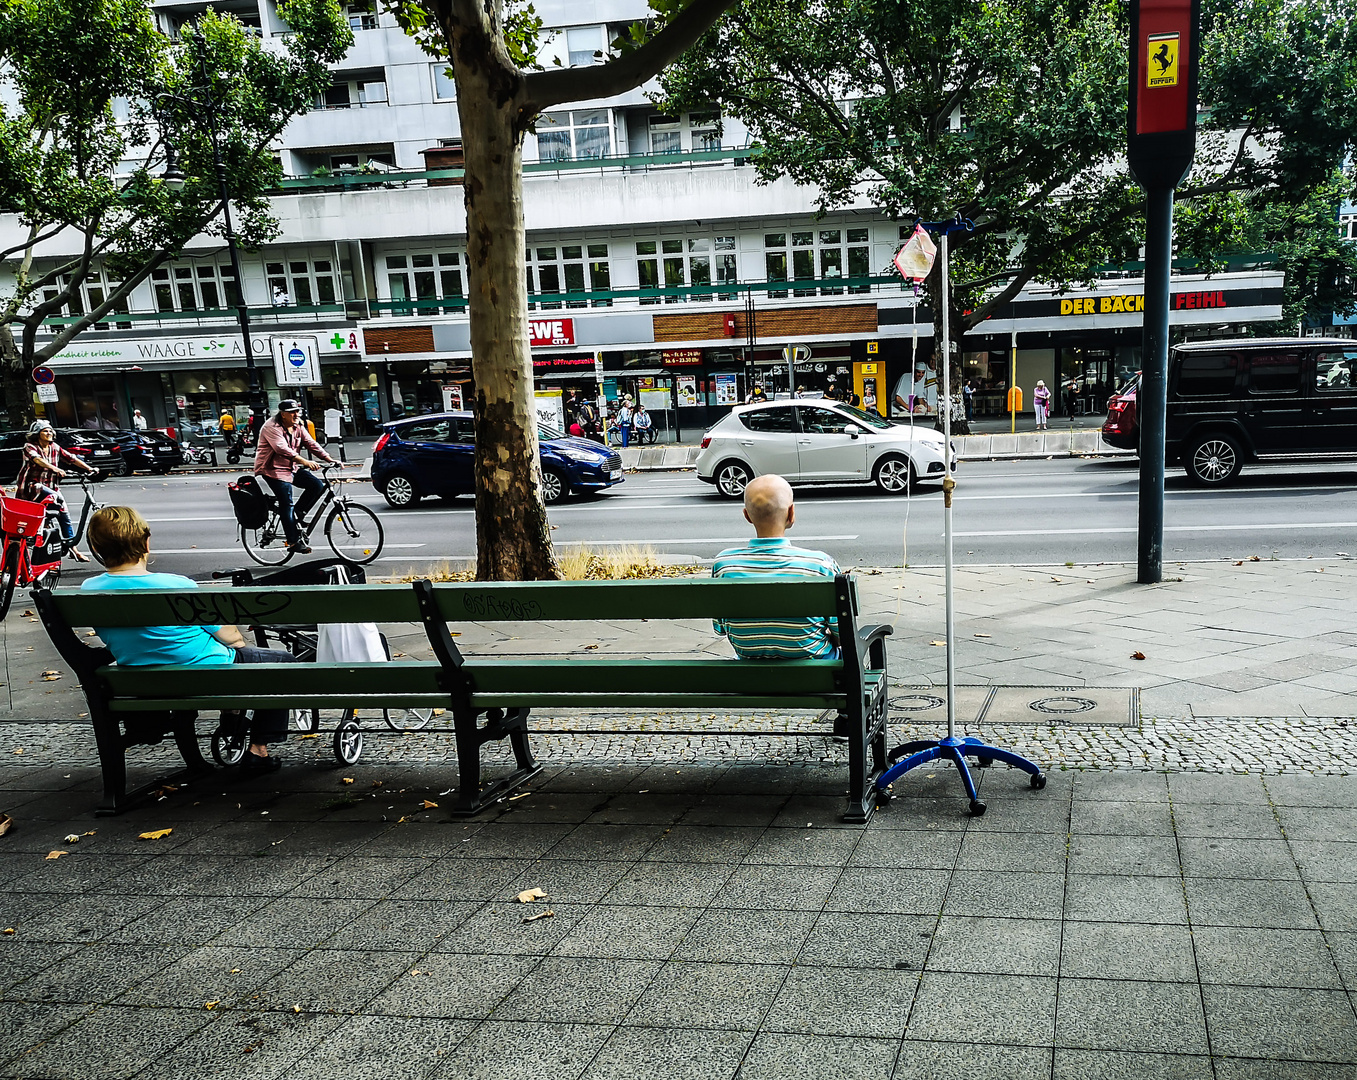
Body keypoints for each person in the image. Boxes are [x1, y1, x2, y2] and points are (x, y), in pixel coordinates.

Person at [80, 506, 299, 772]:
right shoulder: (176, 584)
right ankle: (258, 749)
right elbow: (231, 638)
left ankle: (233, 718)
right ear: (145, 542)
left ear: (96, 547)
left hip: (139, 680)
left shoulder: (89, 589)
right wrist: (236, 639)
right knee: (283, 662)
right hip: (207, 673)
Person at [711, 474, 842, 660]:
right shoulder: (820, 565)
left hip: (749, 675)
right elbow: (841, 633)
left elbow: (720, 628)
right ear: (791, 513)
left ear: (747, 516)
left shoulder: (724, 564)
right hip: (815, 676)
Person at [254, 399, 341, 555]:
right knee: (287, 502)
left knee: (316, 485)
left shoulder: (298, 425)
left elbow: (311, 443)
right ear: (283, 414)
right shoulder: (270, 427)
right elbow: (282, 449)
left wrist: (329, 459)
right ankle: (293, 542)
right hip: (272, 470)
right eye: (292, 412)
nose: (296, 414)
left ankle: (298, 515)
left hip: (291, 467)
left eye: (297, 411)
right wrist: (305, 462)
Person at [14, 421, 95, 561]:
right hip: (32, 488)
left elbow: (72, 458)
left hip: (52, 488)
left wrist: (89, 468)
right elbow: (37, 460)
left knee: (65, 515)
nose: (49, 433)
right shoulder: (29, 447)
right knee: (53, 499)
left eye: (50, 431)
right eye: (45, 431)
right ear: (37, 434)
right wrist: (55, 468)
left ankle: (73, 549)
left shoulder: (55, 447)